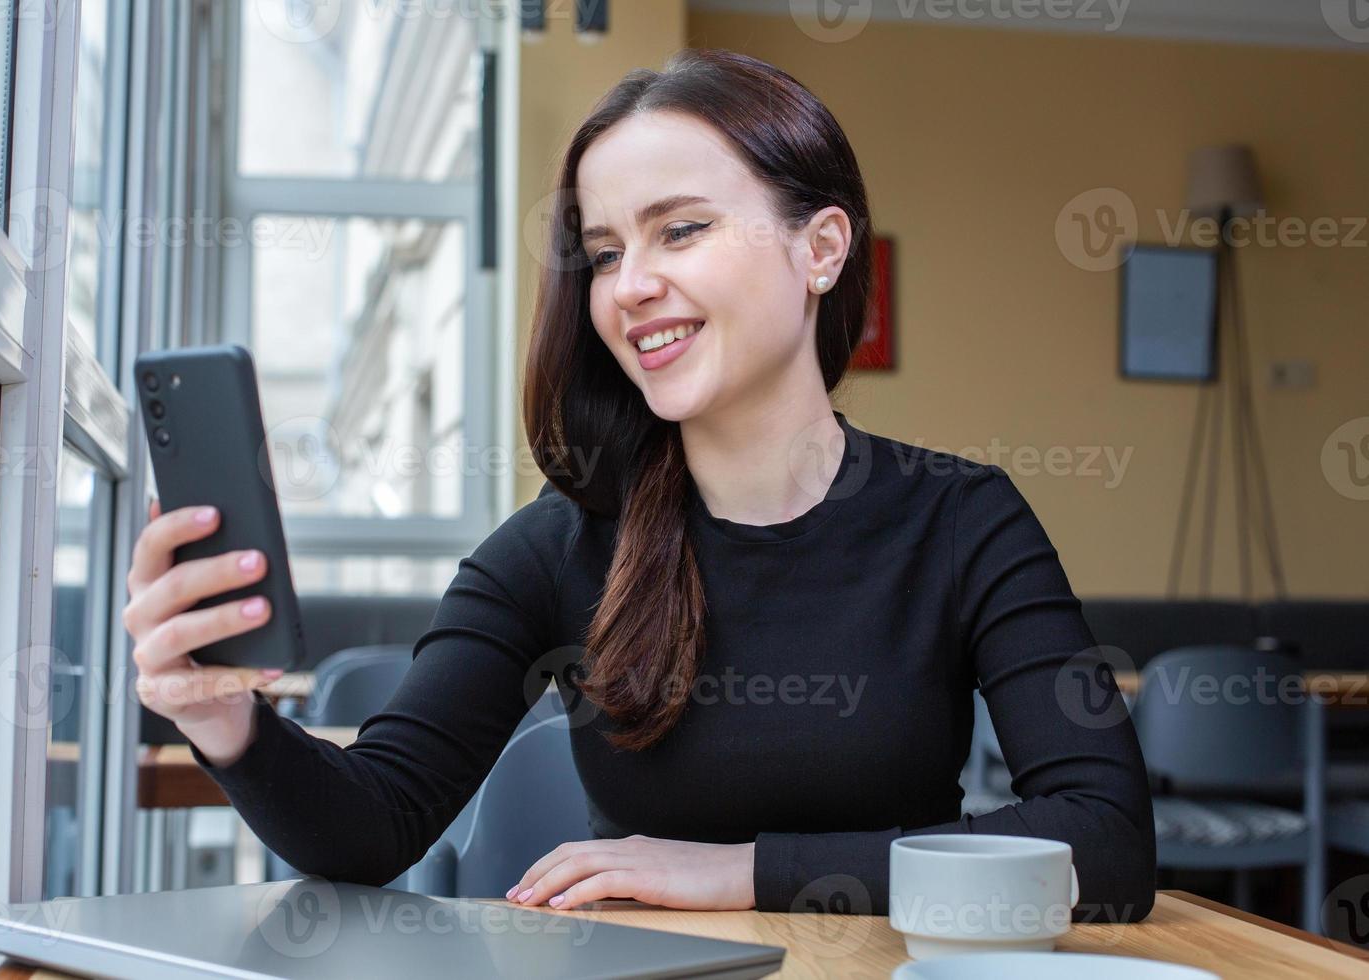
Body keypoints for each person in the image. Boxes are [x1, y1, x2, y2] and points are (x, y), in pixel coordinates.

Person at [123, 48, 1155, 920]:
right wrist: (226, 720)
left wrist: (737, 869)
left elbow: (1105, 842)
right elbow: (373, 821)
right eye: (605, 250)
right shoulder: (556, 546)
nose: (629, 286)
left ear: (821, 248)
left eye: (682, 229)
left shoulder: (962, 519)